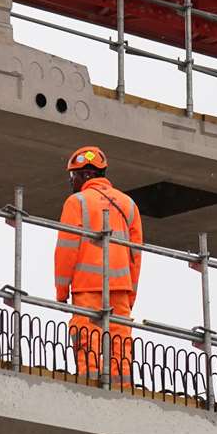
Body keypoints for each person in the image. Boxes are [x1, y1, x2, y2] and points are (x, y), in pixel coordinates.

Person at [55, 145, 143, 383]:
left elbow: (66, 251)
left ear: (84, 175)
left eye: (73, 175)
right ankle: (121, 387)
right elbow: (136, 255)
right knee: (120, 340)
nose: (71, 181)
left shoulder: (77, 202)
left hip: (87, 286)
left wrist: (61, 291)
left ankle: (90, 383)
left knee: (87, 337)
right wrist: (131, 293)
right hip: (121, 289)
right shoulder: (128, 205)